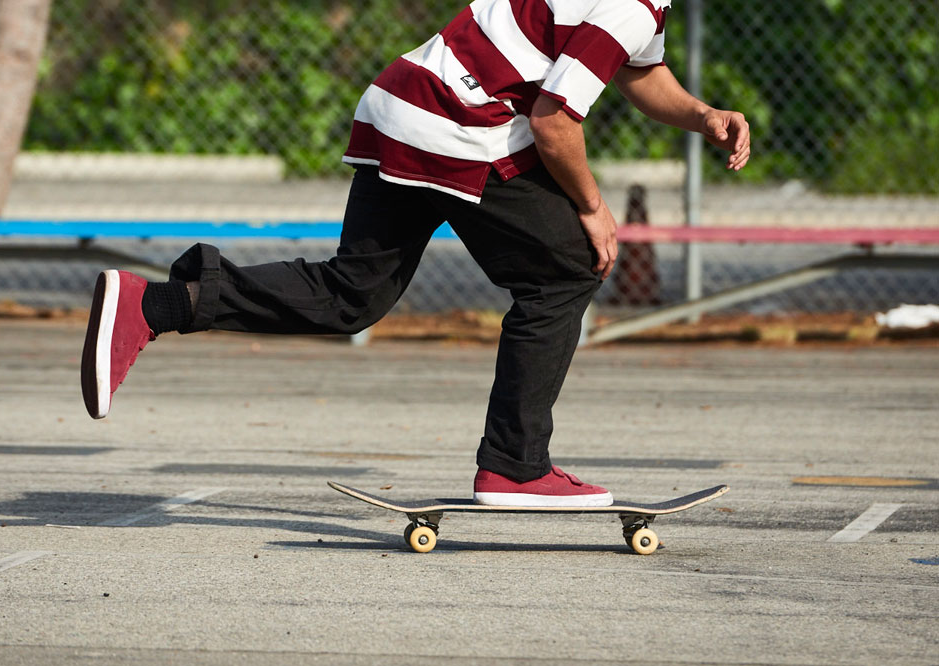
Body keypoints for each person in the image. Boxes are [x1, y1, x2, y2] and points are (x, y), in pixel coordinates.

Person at [80, 0, 749, 508]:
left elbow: (637, 68)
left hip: (404, 104)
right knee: (566, 268)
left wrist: (699, 115)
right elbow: (553, 121)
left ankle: (155, 304)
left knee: (351, 297)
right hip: (460, 128)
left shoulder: (639, 8)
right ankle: (515, 466)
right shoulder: (629, 4)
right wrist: (592, 208)